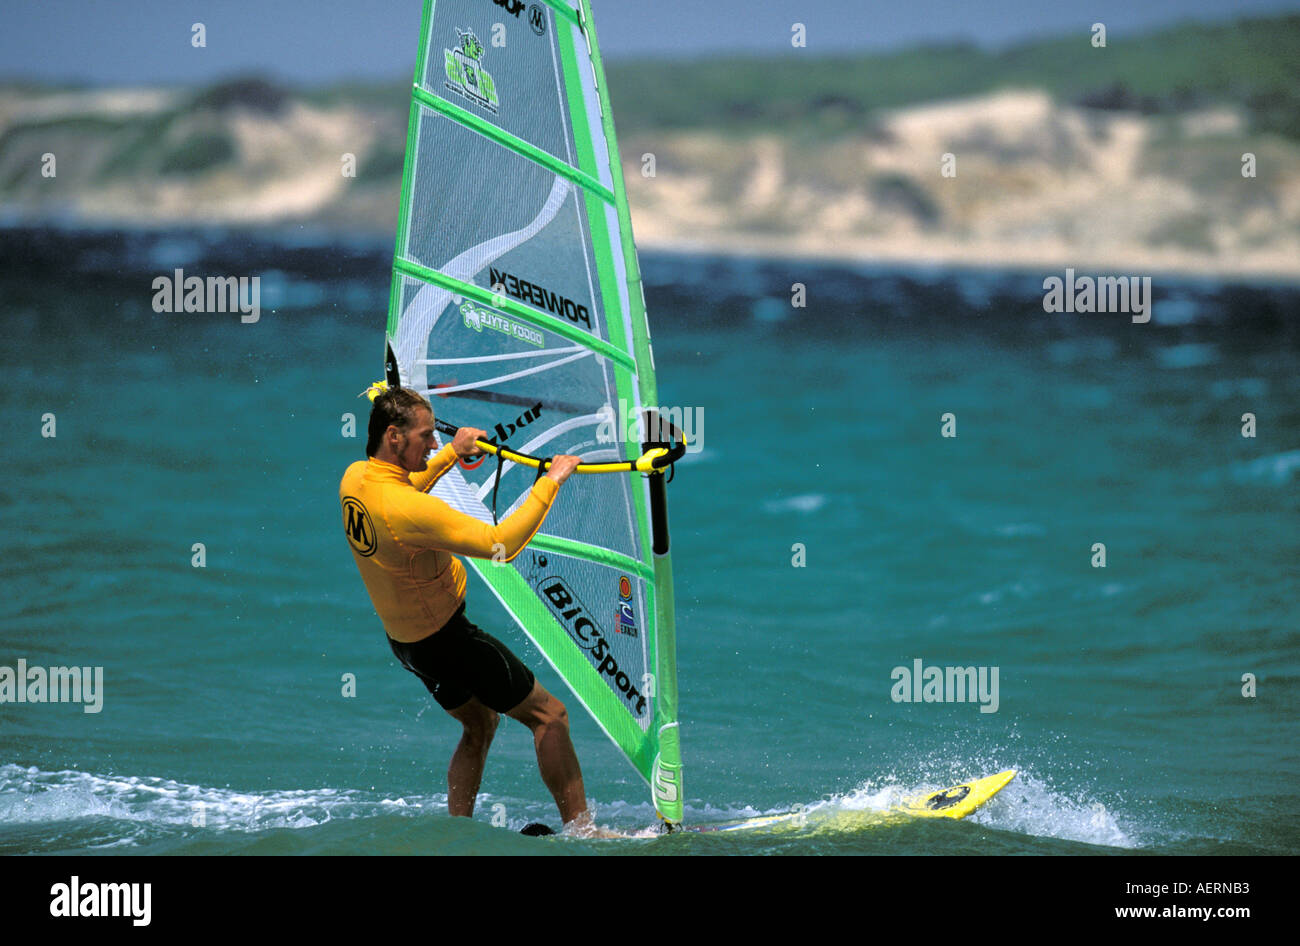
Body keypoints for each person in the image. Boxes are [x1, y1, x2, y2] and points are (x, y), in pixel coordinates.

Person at [340, 384, 598, 834]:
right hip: (448, 641)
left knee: (479, 725)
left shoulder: (357, 479)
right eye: (425, 436)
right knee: (549, 716)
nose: (433, 442)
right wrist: (550, 482)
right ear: (395, 437)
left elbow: (404, 487)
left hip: (407, 645)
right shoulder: (408, 510)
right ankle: (584, 831)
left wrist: (451, 456)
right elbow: (500, 546)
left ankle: (458, 831)